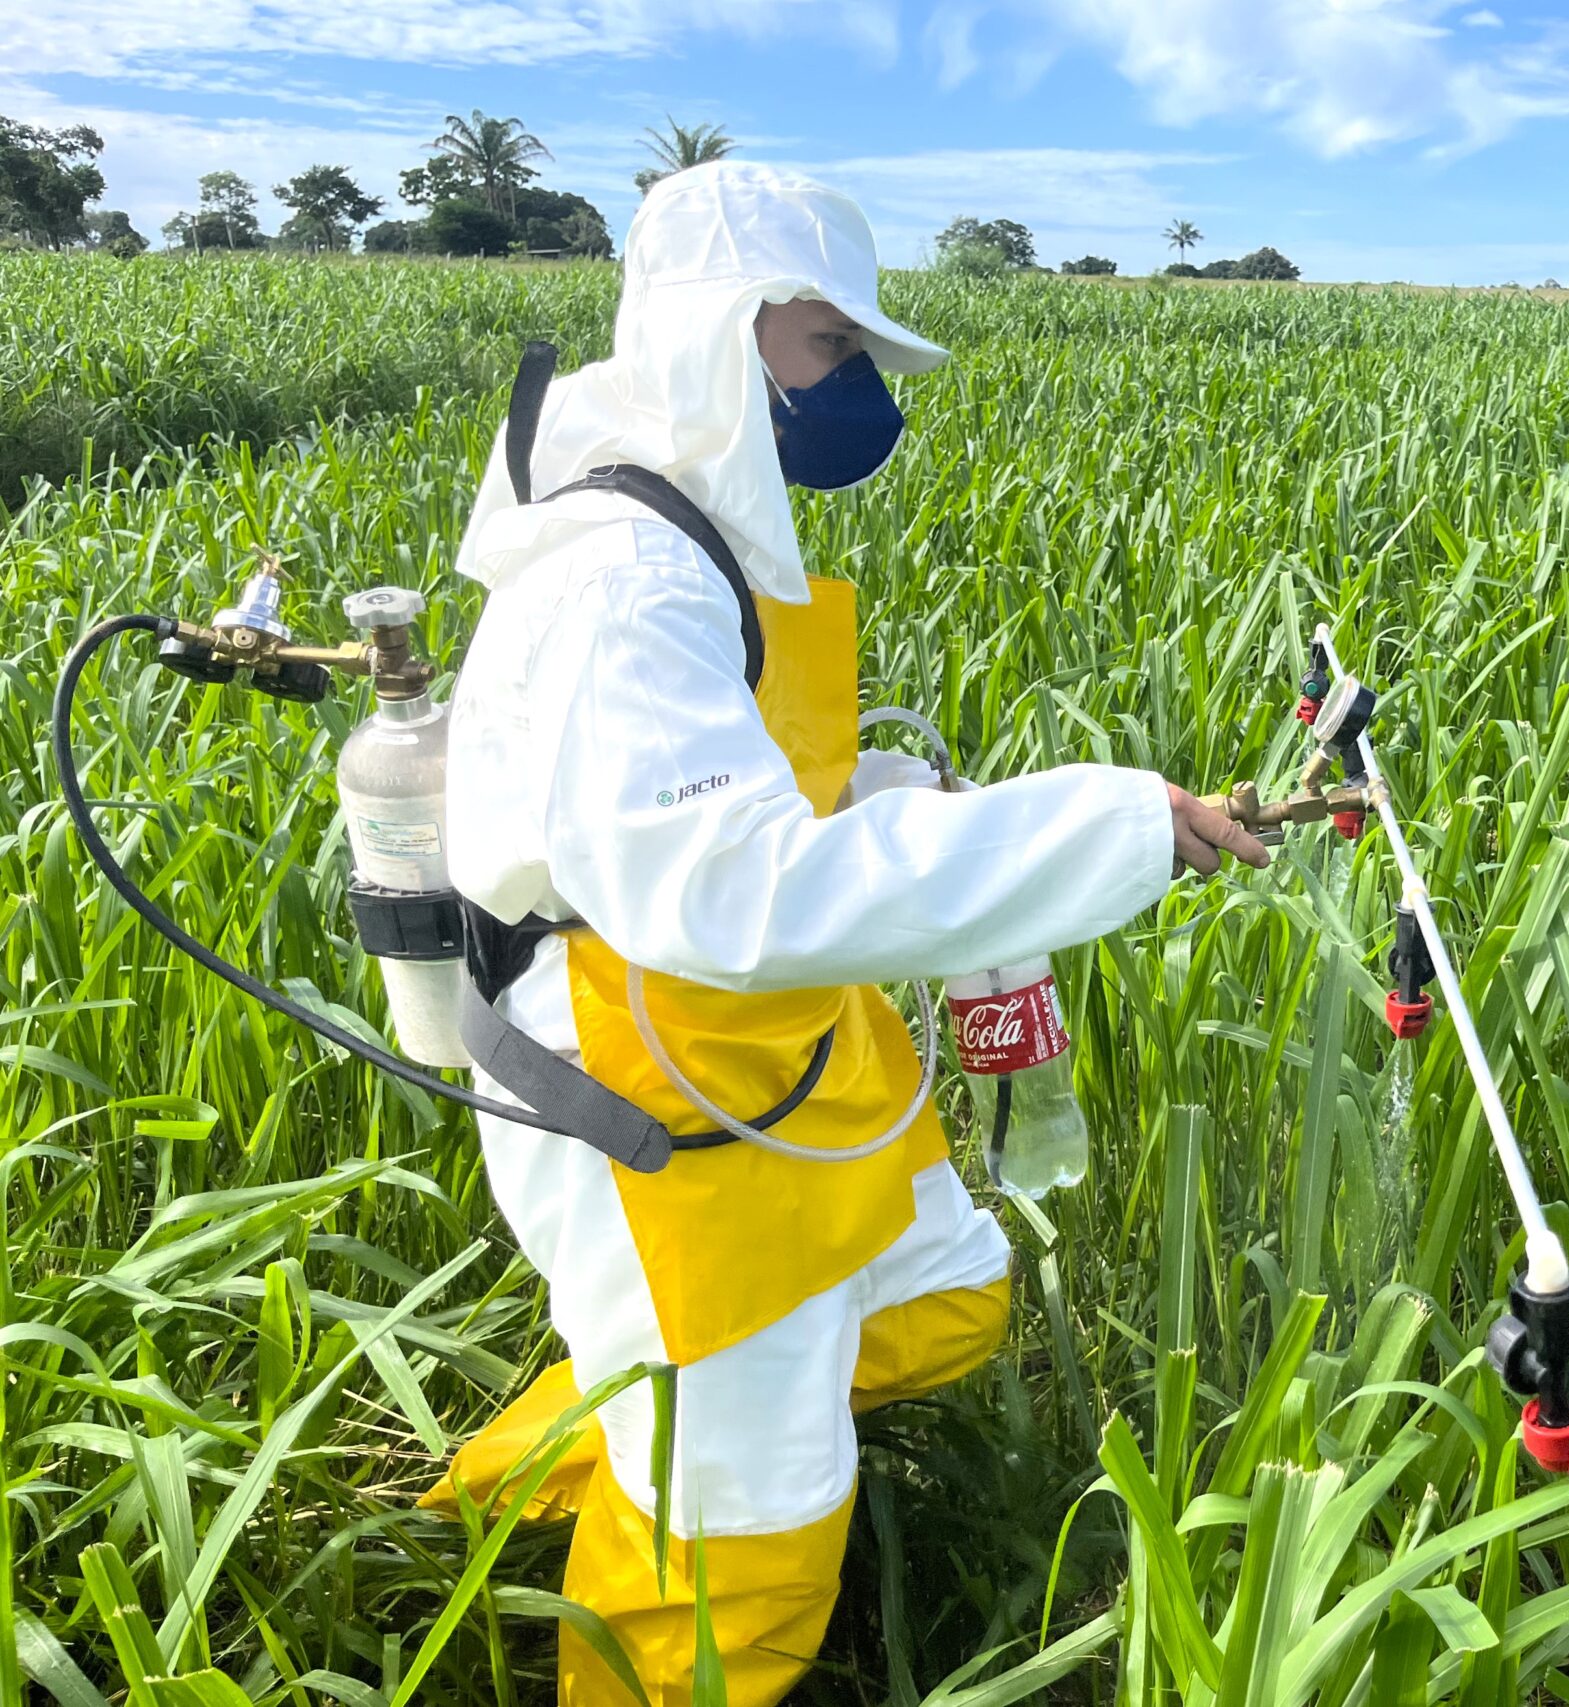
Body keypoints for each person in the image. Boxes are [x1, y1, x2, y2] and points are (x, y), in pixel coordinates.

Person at [420, 160, 1267, 1704]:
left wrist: (896, 787)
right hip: (639, 1064)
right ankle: (674, 1550)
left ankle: (622, 1427)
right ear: (718, 338)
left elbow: (715, 796)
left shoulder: (689, 537)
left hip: (728, 1029)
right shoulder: (625, 582)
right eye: (829, 353)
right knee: (742, 1531)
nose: (856, 392)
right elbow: (731, 890)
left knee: (941, 1297)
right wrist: (1102, 825)